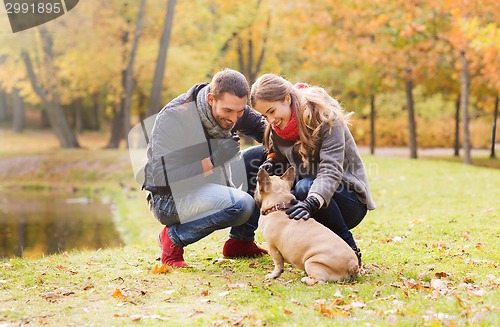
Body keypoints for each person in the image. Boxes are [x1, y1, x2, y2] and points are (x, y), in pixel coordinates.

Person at [143, 69, 268, 268]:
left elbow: (264, 129)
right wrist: (212, 160)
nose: (234, 119)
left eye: (240, 112)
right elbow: (160, 176)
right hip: (168, 198)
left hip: (207, 183)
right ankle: (172, 238)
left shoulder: (232, 108)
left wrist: (288, 145)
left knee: (259, 156)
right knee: (242, 205)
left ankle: (240, 242)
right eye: (228, 111)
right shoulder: (176, 117)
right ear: (211, 99)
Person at [249, 73, 376, 267]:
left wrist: (312, 201)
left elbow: (331, 170)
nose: (271, 120)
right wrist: (271, 162)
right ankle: (291, 248)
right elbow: (281, 158)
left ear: (287, 99)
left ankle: (350, 248)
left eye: (272, 111)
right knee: (293, 185)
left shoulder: (326, 119)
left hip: (347, 199)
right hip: (307, 196)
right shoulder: (277, 130)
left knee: (304, 187)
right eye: (265, 115)